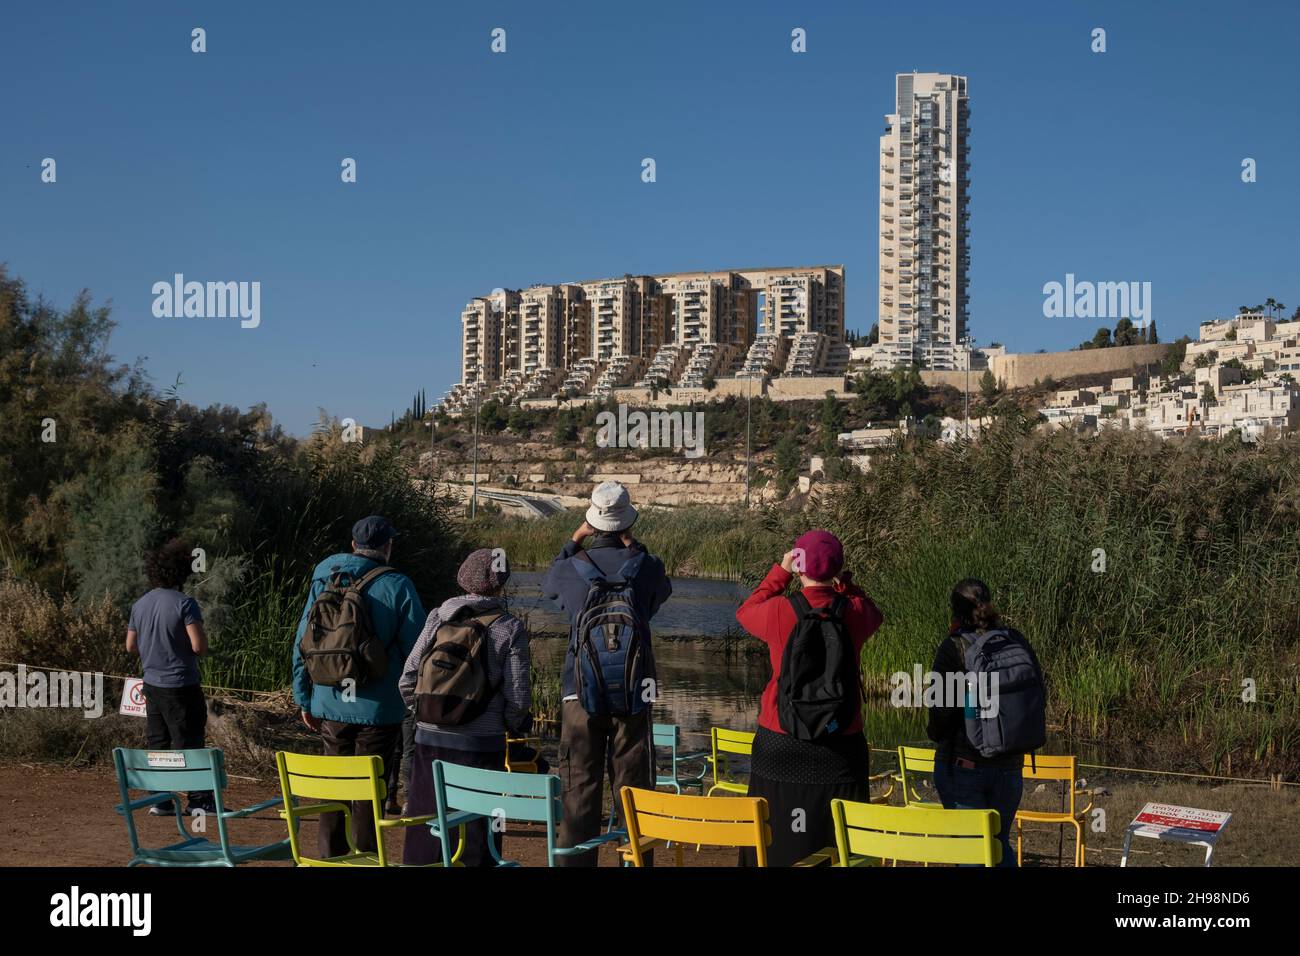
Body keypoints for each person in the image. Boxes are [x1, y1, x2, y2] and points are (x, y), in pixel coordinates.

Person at [540, 481, 672, 866]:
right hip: (636, 690)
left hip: (579, 691)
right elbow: (660, 590)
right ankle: (634, 861)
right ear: (627, 522)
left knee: (580, 786)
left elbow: (548, 585)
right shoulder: (646, 568)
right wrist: (637, 548)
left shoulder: (569, 568)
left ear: (591, 520)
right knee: (633, 789)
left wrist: (572, 541)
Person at [734, 529, 883, 866]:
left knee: (776, 839)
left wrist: (781, 573)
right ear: (838, 569)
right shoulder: (855, 613)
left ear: (798, 566)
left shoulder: (778, 612)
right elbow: (876, 613)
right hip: (841, 741)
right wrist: (845, 584)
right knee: (839, 840)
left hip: (780, 738)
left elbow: (746, 611)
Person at [291, 515, 425, 860]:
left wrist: (304, 698)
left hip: (329, 698)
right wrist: (415, 701)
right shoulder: (398, 584)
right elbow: (418, 651)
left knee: (333, 784)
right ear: (387, 546)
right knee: (369, 789)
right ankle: (366, 857)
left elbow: (302, 642)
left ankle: (330, 857)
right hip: (379, 708)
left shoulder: (324, 575)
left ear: (353, 544)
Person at [398, 548, 532, 866]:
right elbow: (519, 698)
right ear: (501, 584)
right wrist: (507, 725)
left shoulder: (437, 618)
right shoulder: (509, 628)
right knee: (477, 832)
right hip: (480, 745)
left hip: (428, 741)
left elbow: (407, 679)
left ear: (463, 579)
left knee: (426, 828)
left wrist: (427, 715)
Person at [926, 578, 1039, 867]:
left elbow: (940, 711)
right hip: (1011, 767)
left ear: (955, 610)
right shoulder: (1015, 640)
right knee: (999, 844)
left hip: (965, 765)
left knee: (972, 853)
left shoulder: (955, 648)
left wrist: (936, 734)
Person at [125, 538, 213, 816]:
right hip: (182, 684)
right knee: (189, 742)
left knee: (158, 741)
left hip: (151, 683)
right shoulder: (185, 603)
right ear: (181, 573)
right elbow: (198, 646)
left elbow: (130, 646)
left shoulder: (140, 604)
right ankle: (199, 801)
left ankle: (161, 800)